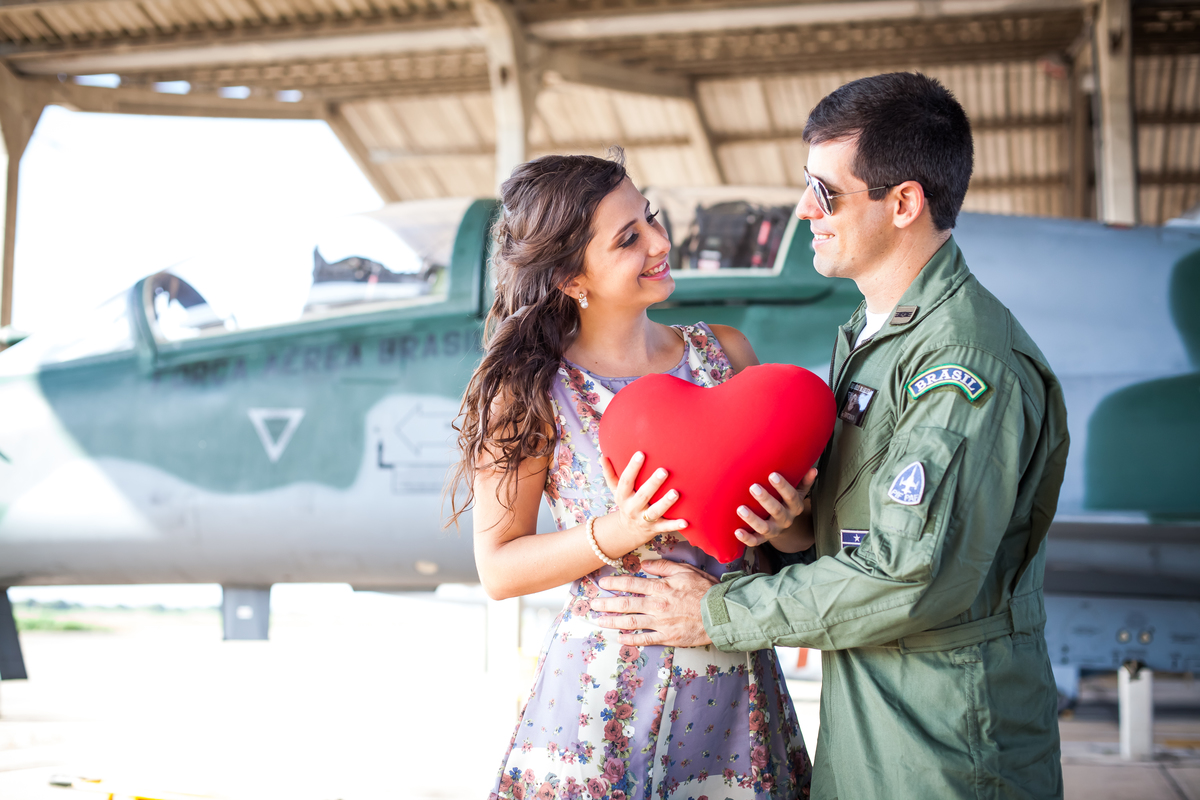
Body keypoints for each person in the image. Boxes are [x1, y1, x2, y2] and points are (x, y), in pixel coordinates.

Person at [590, 72, 1071, 800]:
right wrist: (793, 527)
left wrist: (715, 613)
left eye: (826, 192)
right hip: (876, 717)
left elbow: (911, 577)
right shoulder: (875, 338)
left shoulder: (961, 360)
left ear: (903, 203)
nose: (804, 209)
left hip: (947, 741)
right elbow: (867, 536)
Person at [451, 152, 813, 799]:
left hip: (736, 702)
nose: (660, 242)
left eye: (651, 218)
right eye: (628, 239)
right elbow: (499, 569)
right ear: (571, 278)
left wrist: (786, 524)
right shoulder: (529, 390)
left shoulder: (726, 355)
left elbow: (783, 544)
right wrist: (620, 530)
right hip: (596, 713)